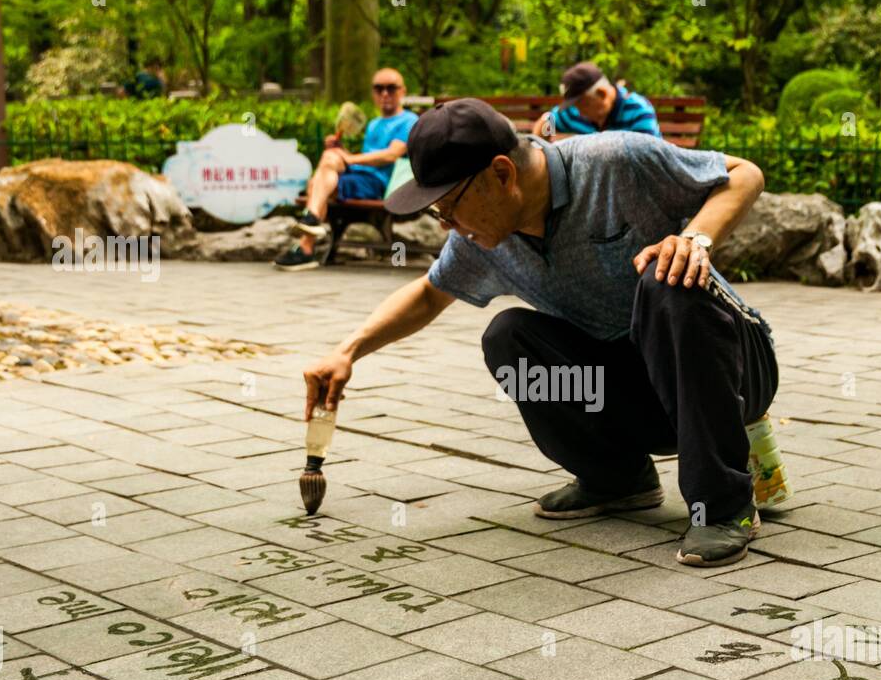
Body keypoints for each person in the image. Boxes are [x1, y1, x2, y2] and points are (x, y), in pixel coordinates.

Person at [303, 98, 777, 567]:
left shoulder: (616, 161)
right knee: (509, 336)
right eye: (437, 214)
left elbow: (744, 175)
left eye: (449, 207)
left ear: (502, 174)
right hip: (646, 395)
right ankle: (618, 480)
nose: (448, 225)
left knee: (664, 278)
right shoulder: (483, 238)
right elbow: (429, 294)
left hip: (732, 366)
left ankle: (724, 507)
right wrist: (348, 351)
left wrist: (695, 238)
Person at [274, 67, 418, 270]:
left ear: (402, 91)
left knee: (317, 181)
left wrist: (349, 158)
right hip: (359, 176)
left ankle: (307, 242)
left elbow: (390, 155)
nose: (385, 93)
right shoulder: (374, 124)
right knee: (329, 158)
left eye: (391, 88)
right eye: (379, 88)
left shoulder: (409, 121)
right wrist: (341, 150)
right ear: (373, 93)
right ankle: (311, 226)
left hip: (377, 184)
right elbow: (359, 159)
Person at [532, 61, 661, 140]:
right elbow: (547, 120)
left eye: (583, 105)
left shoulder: (638, 111)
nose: (579, 112)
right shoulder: (574, 111)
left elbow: (649, 163)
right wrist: (539, 148)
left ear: (602, 94)